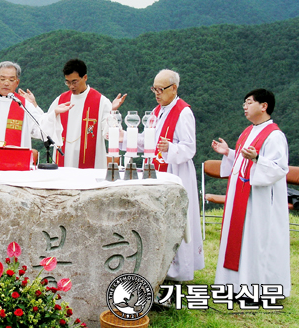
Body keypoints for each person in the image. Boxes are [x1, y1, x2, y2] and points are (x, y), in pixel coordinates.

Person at [124, 69, 204, 281]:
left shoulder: (183, 112)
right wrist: (125, 137)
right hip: (157, 169)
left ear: (174, 88)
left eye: (161, 89)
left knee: (176, 218)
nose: (157, 93)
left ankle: (179, 269)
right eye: (154, 89)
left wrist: (171, 147)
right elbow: (148, 141)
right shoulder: (157, 111)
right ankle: (160, 265)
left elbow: (189, 148)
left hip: (176, 171)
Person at [211, 89, 290, 300]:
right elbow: (244, 160)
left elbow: (279, 168)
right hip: (241, 197)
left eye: (249, 102)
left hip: (259, 201)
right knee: (241, 240)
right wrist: (228, 153)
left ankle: (255, 287)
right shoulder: (248, 131)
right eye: (244, 103)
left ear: (264, 106)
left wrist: (258, 160)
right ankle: (234, 285)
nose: (244, 106)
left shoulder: (274, 135)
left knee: (255, 240)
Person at [41, 59, 126, 169]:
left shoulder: (101, 102)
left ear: (85, 77)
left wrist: (112, 113)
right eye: (68, 82)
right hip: (64, 160)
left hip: (90, 165)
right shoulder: (60, 100)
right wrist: (54, 114)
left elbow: (109, 134)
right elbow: (44, 128)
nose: (71, 86)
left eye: (74, 82)